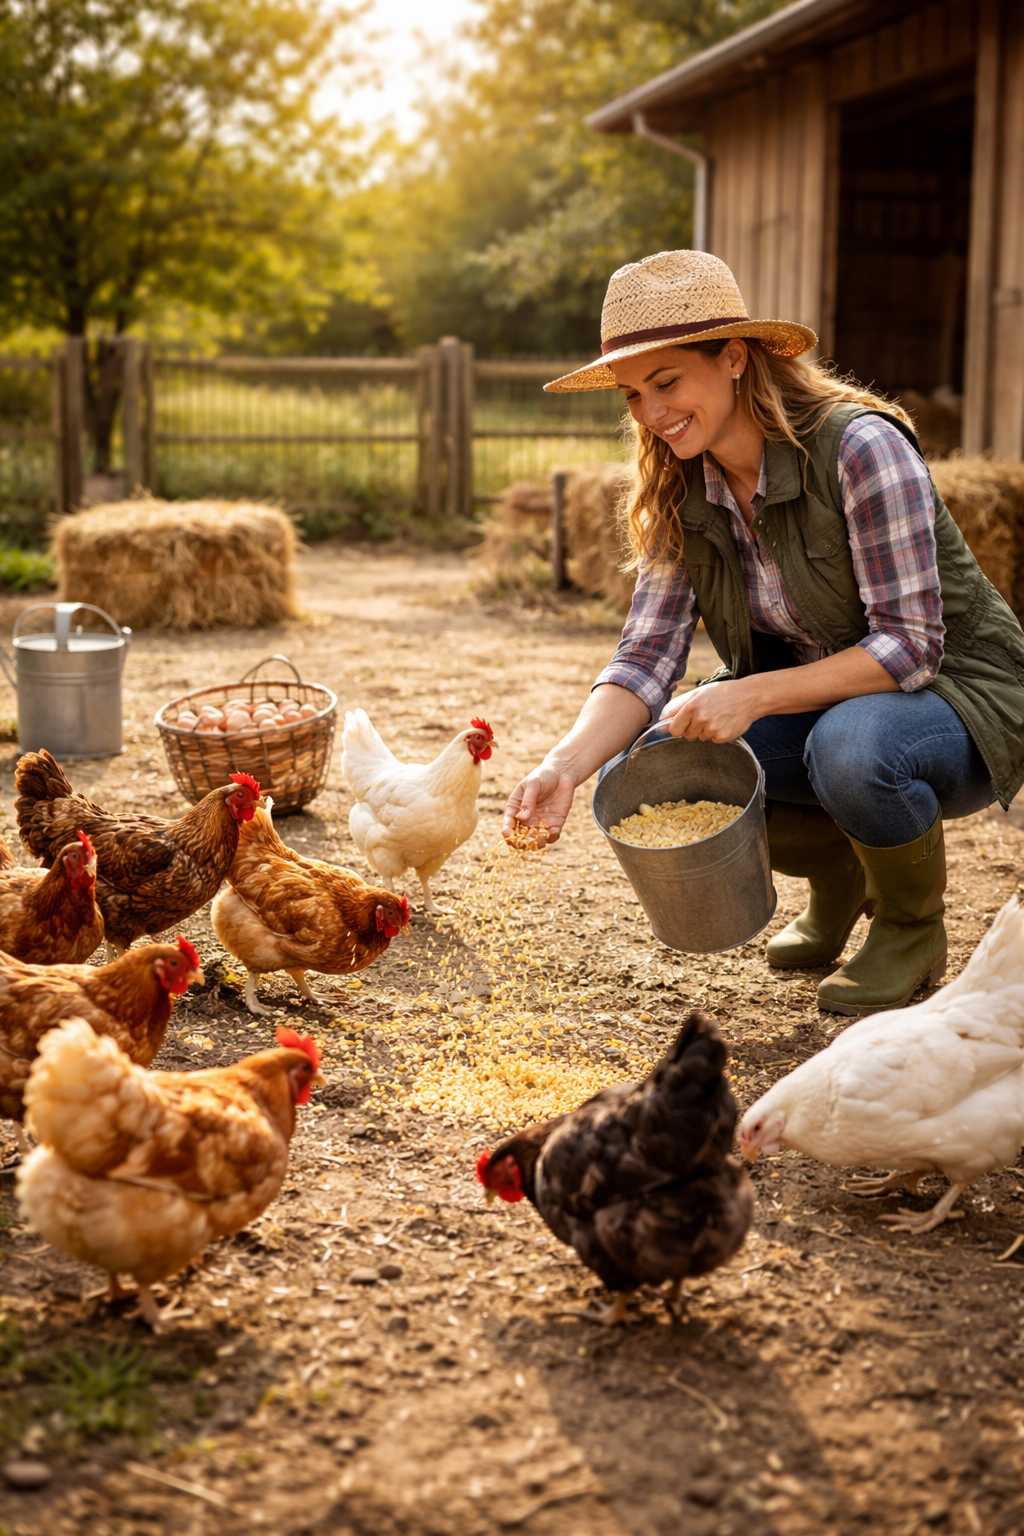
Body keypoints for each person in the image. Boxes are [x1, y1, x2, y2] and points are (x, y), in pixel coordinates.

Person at [502, 249, 1024, 1016]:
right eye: (634, 393)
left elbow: (910, 645)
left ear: (735, 357)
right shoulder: (678, 484)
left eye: (668, 382)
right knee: (657, 769)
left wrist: (751, 696)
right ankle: (844, 874)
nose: (650, 413)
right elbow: (645, 658)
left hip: (960, 696)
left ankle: (911, 928)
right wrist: (564, 766)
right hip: (826, 700)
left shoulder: (858, 448)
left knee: (849, 745)